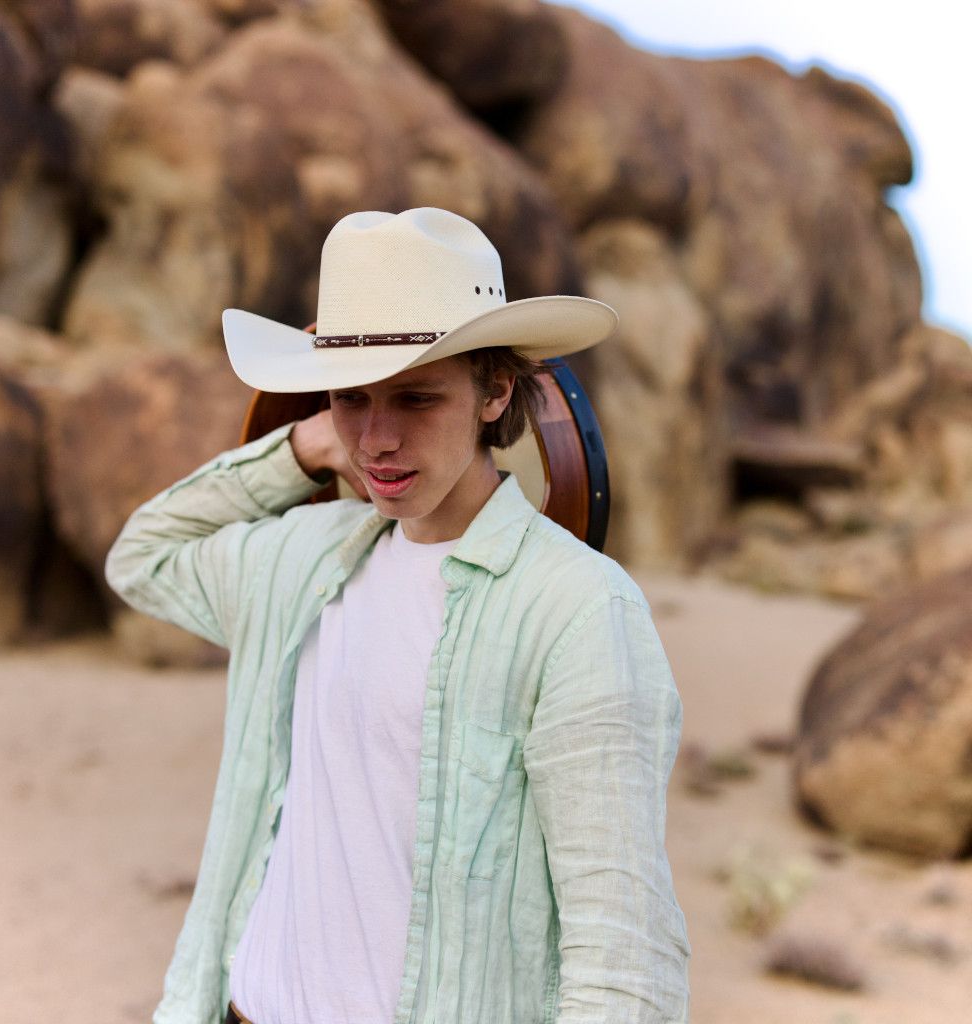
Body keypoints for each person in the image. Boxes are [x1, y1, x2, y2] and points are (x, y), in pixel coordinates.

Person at [105, 207, 691, 1024]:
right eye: (351, 399)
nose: (375, 439)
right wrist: (301, 449)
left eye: (415, 398)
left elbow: (622, 959)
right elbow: (144, 557)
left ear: (495, 391)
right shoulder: (305, 557)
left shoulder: (578, 610)